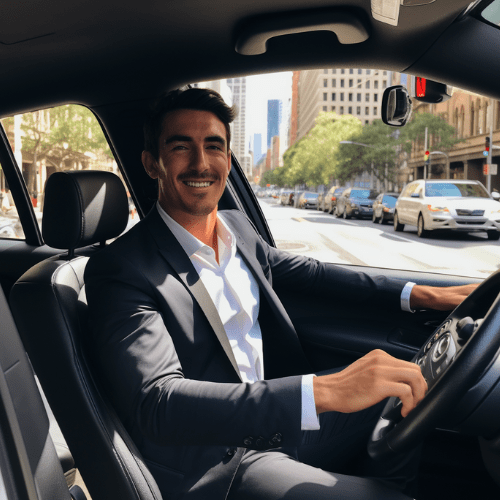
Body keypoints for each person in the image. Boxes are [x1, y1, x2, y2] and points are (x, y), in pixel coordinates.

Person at [84, 88, 476, 500]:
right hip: (215, 459)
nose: (201, 162)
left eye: (213, 145)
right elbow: (158, 402)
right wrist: (322, 391)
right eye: (181, 147)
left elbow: (314, 274)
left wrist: (425, 294)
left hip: (274, 422)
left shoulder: (237, 227)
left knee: (403, 389)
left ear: (228, 161)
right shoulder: (122, 268)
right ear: (152, 164)